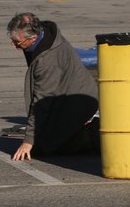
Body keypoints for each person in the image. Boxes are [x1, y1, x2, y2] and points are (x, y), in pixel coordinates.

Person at [6, 12, 98, 161]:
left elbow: (42, 101)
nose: (14, 45)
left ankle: (94, 136)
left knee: (45, 148)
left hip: (78, 101)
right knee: (42, 141)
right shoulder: (41, 34)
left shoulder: (48, 61)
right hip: (64, 93)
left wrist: (28, 141)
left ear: (33, 38)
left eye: (17, 42)